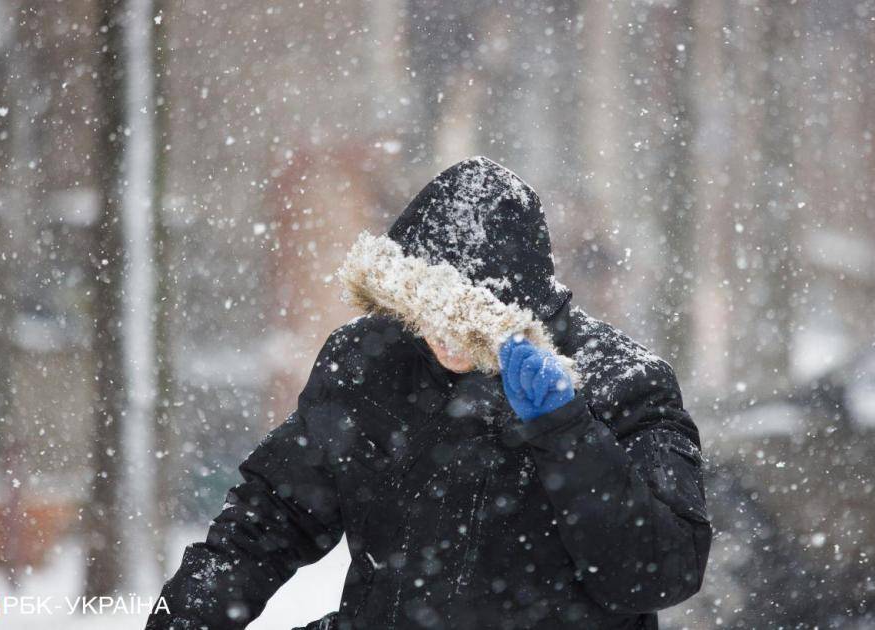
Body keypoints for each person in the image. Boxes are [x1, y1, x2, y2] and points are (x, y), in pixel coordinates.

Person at [145, 156, 711, 630]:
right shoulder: (370, 363)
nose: (444, 338)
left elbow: (660, 572)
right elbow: (269, 519)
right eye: (425, 310)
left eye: (469, 323)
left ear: (519, 308)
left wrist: (566, 431)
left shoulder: (624, 383)